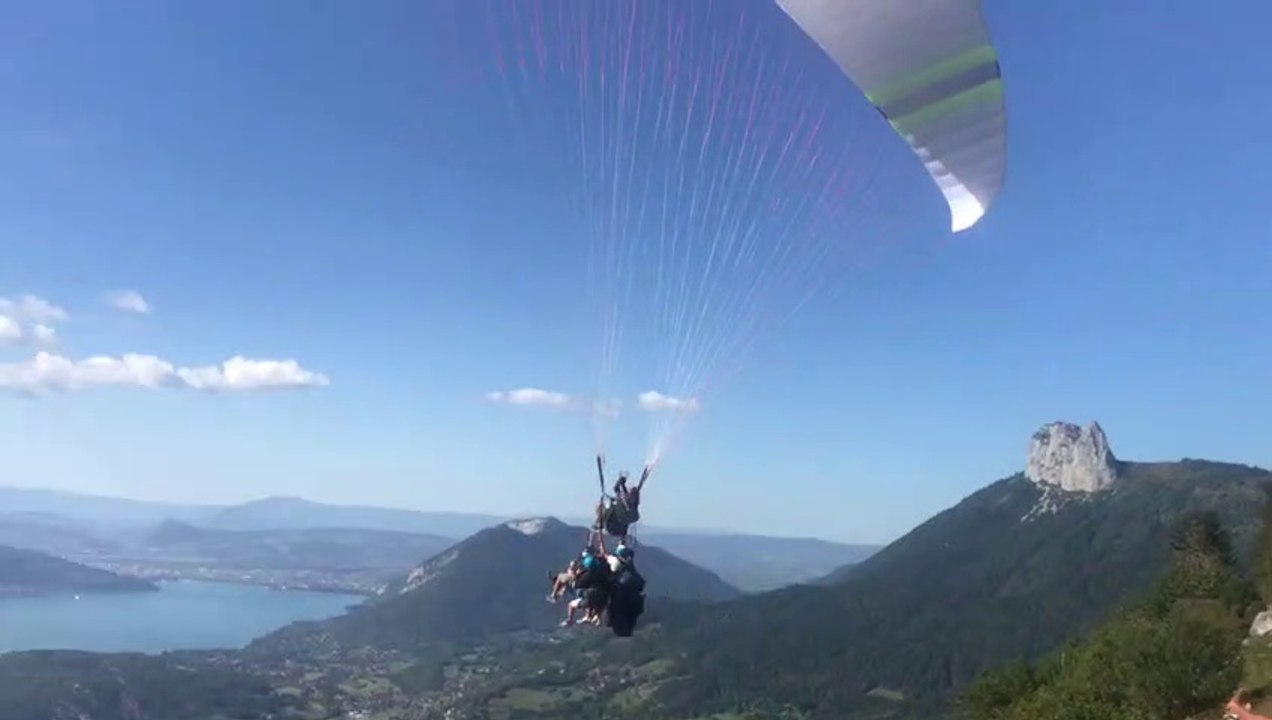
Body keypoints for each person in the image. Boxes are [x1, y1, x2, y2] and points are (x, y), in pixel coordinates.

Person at [560, 548, 611, 627]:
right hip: (603, 598)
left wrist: (573, 572)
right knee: (592, 599)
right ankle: (591, 616)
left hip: (591, 597)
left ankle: (569, 620)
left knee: (571, 604)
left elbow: (577, 585)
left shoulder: (585, 575)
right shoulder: (602, 572)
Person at [605, 543, 646, 637]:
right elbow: (609, 604)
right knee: (622, 570)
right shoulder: (613, 619)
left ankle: (624, 554)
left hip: (628, 586)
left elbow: (640, 604)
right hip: (622, 587)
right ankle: (623, 553)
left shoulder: (633, 616)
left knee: (627, 569)